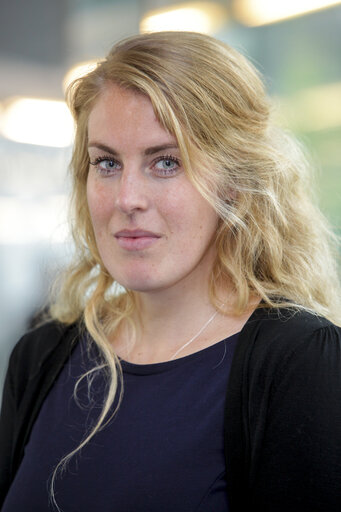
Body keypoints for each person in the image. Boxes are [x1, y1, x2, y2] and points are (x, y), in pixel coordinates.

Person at [0, 31, 341, 512]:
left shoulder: (297, 365)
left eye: (165, 162)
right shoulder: (42, 357)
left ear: (235, 184)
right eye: (107, 163)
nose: (127, 199)